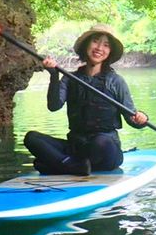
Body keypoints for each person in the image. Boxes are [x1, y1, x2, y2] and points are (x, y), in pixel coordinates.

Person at [22, 24, 148, 175]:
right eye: (95, 41)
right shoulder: (70, 78)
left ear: (110, 52)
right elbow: (54, 106)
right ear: (86, 45)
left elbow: (131, 118)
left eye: (106, 45)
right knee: (32, 138)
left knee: (100, 141)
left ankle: (62, 163)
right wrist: (54, 75)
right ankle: (72, 165)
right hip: (77, 147)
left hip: (105, 150)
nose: (99, 48)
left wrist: (142, 119)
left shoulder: (116, 81)